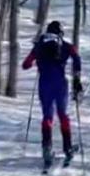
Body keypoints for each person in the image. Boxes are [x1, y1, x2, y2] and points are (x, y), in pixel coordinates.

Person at [22, 21, 83, 168]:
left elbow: (25, 65)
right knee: (62, 114)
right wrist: (76, 78)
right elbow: (76, 57)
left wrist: (37, 59)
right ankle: (67, 147)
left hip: (45, 84)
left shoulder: (40, 45)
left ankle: (46, 148)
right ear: (60, 33)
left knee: (47, 116)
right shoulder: (65, 45)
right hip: (60, 84)